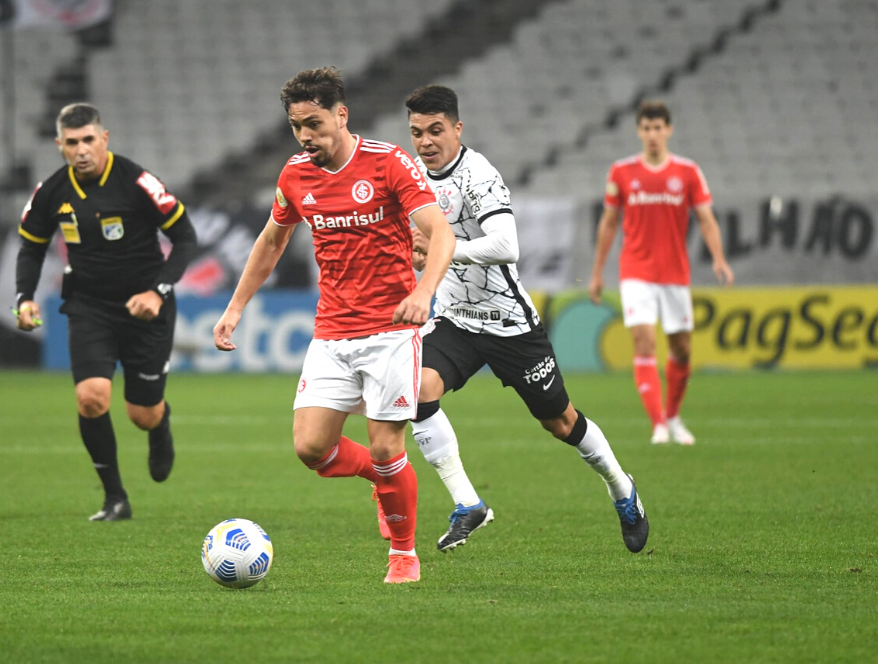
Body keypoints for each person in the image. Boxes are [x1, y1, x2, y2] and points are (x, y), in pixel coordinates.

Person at [213, 67, 455, 584]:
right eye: (297, 126)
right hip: (332, 332)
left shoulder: (390, 164)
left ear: (341, 115)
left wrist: (422, 293)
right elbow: (271, 241)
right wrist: (235, 307)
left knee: (389, 445)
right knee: (310, 449)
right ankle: (379, 479)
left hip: (391, 329)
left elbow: (441, 233)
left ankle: (403, 556)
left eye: (314, 123)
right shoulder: (295, 175)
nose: (305, 136)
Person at [406, 86, 649, 553]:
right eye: (417, 132)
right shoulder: (413, 176)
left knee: (560, 422)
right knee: (416, 390)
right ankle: (468, 504)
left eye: (436, 130)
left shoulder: (479, 176)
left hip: (508, 323)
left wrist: (441, 252)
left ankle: (621, 487)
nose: (426, 141)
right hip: (457, 319)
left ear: (457, 128)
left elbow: (506, 246)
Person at [15, 103, 198, 521]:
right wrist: (24, 297)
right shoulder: (51, 192)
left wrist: (157, 292)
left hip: (146, 308)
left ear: (105, 139)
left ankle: (160, 422)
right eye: (72, 142)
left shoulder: (137, 181)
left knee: (142, 414)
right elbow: (31, 245)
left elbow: (185, 238)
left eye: (89, 140)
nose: (82, 150)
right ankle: (115, 497)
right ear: (60, 145)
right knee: (91, 399)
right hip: (88, 306)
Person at [589, 100, 734, 445]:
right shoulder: (622, 172)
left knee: (682, 349)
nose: (652, 134)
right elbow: (609, 223)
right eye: (646, 128)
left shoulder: (687, 172)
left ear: (668, 130)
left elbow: (706, 218)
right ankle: (658, 425)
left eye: (658, 128)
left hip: (674, 274)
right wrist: (597, 272)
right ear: (639, 131)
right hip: (636, 271)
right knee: (644, 340)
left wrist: (719, 258)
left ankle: (672, 415)